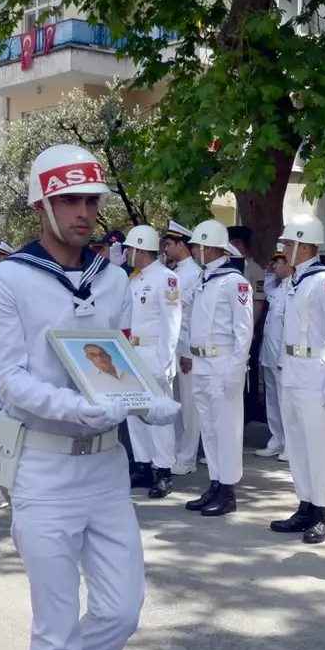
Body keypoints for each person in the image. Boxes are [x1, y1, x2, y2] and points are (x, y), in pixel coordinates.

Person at [0, 143, 179, 650]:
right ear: (41, 203)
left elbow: (117, 361)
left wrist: (145, 397)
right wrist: (80, 408)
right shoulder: (10, 280)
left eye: (92, 200)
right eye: (69, 200)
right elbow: (9, 381)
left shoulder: (114, 276)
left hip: (105, 467)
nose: (84, 213)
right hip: (43, 467)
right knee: (57, 620)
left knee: (122, 611)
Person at [269, 213, 325, 543]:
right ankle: (304, 504)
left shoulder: (324, 282)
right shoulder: (295, 280)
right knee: (297, 444)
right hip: (292, 369)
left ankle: (322, 512)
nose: (285, 248)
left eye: (289, 242)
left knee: (318, 447)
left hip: (315, 371)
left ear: (304, 245)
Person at [183, 220, 254, 517]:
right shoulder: (204, 279)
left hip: (223, 364)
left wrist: (236, 371)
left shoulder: (235, 282)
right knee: (210, 430)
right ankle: (215, 482)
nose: (195, 251)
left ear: (210, 246)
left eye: (197, 246)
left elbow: (244, 330)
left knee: (226, 430)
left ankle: (228, 491)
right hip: (202, 363)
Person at [121, 224, 182, 498]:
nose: (126, 253)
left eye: (129, 248)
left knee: (158, 418)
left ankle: (163, 471)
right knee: (136, 414)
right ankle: (143, 465)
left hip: (154, 355)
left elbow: (172, 324)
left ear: (141, 249)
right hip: (133, 353)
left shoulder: (166, 279)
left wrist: (165, 363)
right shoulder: (135, 279)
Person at [162, 220, 203, 475]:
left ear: (181, 244)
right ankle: (176, 452)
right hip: (172, 347)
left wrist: (188, 352)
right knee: (175, 404)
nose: (165, 249)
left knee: (190, 407)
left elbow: (194, 318)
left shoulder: (195, 274)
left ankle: (187, 457)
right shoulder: (173, 273)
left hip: (186, 348)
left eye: (169, 244)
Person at [254, 247, 290, 459]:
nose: (275, 265)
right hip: (269, 353)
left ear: (288, 264)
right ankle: (276, 439)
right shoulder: (278, 289)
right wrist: (268, 273)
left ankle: (289, 444)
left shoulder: (294, 288)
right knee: (273, 401)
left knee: (285, 401)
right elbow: (266, 292)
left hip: (282, 357)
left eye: (278, 262)